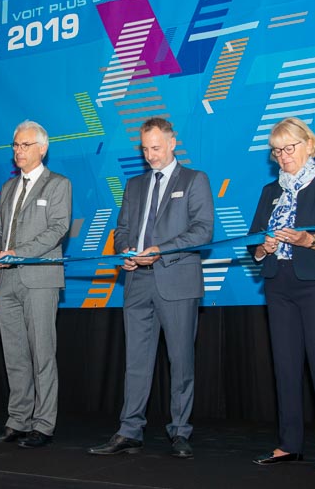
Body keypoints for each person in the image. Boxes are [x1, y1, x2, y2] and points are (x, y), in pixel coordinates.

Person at [88, 117, 214, 458]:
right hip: (137, 282)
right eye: (145, 149)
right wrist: (127, 252)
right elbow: (122, 230)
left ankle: (180, 431)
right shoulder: (134, 185)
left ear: (172, 143)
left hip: (176, 279)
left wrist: (161, 250)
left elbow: (204, 230)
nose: (151, 156)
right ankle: (130, 430)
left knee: (180, 360)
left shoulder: (194, 180)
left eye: (156, 148)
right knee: (136, 362)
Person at [247, 117, 315, 474]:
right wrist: (263, 247)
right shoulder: (270, 192)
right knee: (286, 366)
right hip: (279, 284)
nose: (282, 157)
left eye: (288, 148)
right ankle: (289, 444)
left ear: (308, 145)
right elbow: (253, 243)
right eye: (276, 151)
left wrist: (307, 240)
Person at [0, 120, 72, 449]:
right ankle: (17, 420)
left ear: (42, 148)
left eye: (24, 145)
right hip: (5, 280)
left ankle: (43, 423)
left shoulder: (58, 185)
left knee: (42, 353)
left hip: (40, 279)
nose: (18, 151)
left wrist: (18, 253)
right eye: (15, 145)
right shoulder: (8, 188)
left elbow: (57, 229)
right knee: (15, 355)